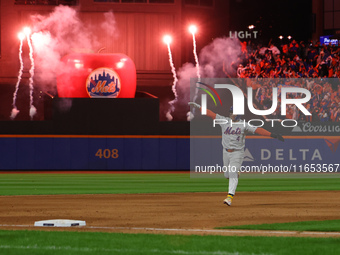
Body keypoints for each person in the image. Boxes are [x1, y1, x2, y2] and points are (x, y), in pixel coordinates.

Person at [189, 102, 284, 206]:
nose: (231, 114)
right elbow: (211, 114)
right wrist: (198, 107)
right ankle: (235, 174)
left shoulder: (244, 125)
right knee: (227, 175)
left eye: (233, 113)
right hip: (225, 152)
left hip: (237, 153)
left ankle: (229, 197)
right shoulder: (224, 121)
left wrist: (273, 135)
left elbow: (258, 130)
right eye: (231, 112)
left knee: (233, 172)